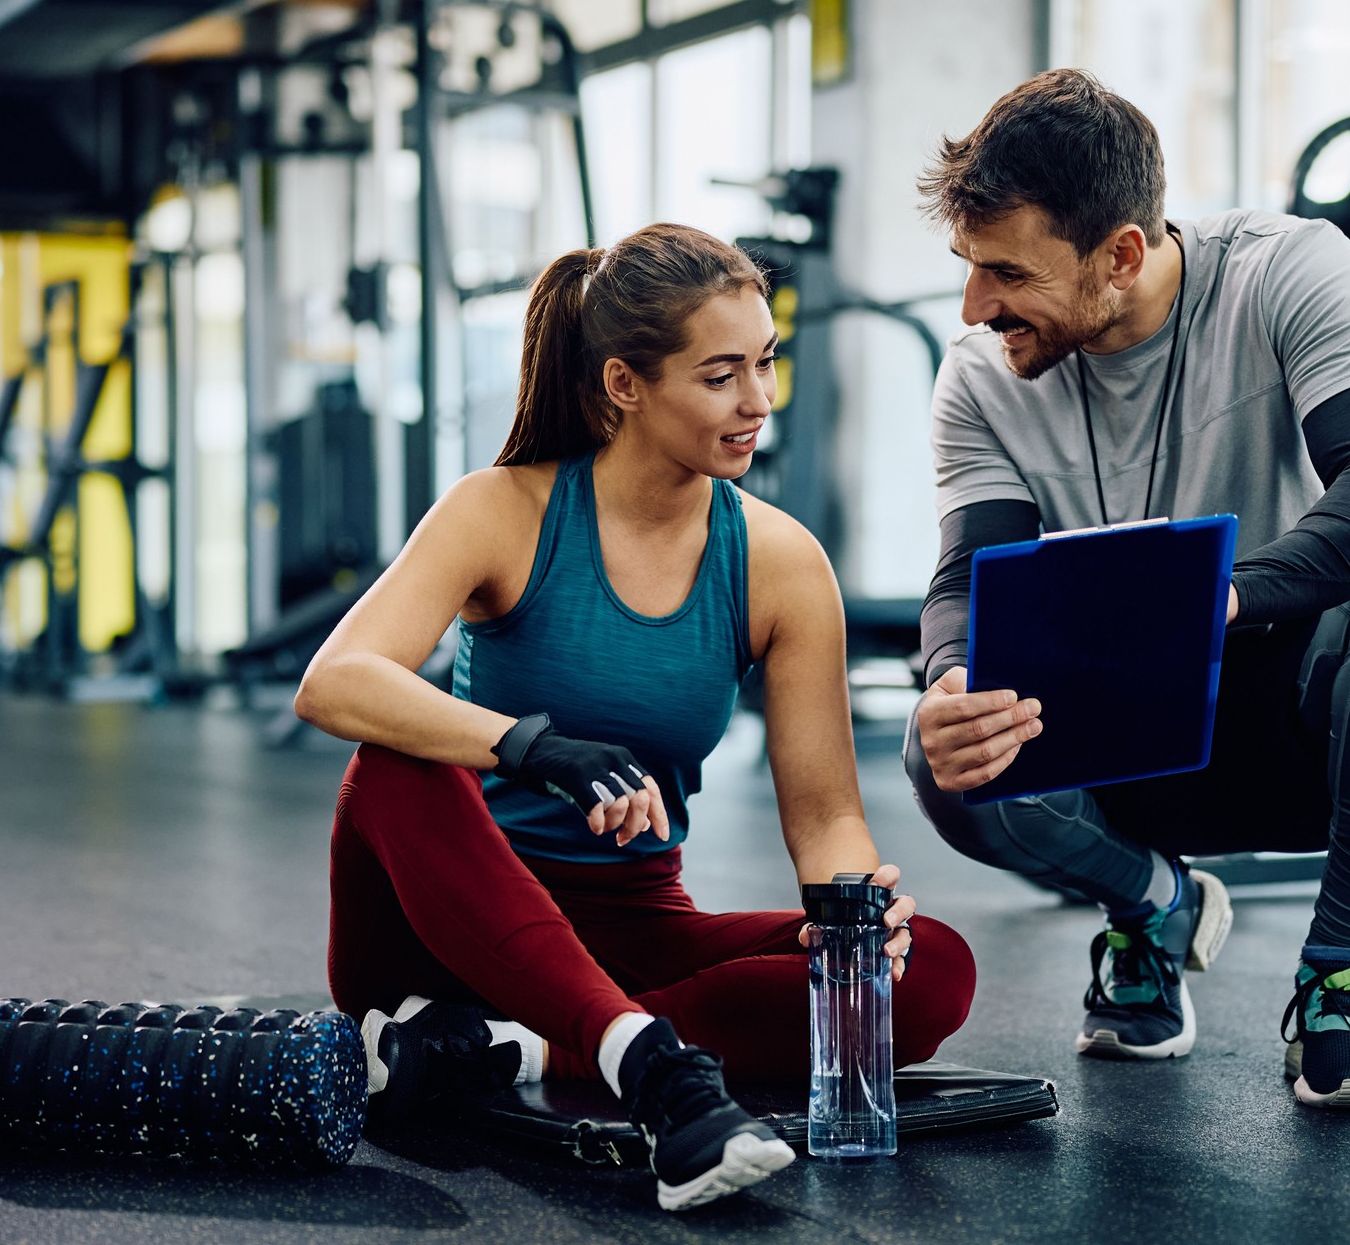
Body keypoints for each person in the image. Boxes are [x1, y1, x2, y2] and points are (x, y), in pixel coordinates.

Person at [295, 223, 977, 1209]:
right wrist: (528, 746)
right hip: (438, 937)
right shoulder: (506, 509)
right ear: (625, 384)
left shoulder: (779, 561)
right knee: (396, 761)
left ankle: (525, 1044)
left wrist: (853, 920)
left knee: (926, 970)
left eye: (767, 362)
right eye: (721, 375)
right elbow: (336, 678)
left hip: (624, 927)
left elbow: (827, 815)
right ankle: (650, 1063)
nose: (758, 401)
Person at [905, 70, 1350, 1110]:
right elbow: (963, 577)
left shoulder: (1290, 272)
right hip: (1111, 737)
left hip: (1296, 717)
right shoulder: (980, 374)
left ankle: (1340, 979)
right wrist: (949, 676)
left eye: (1004, 271)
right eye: (968, 266)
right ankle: (1152, 903)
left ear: (1121, 253)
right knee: (938, 743)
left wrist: (1220, 595)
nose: (975, 306)